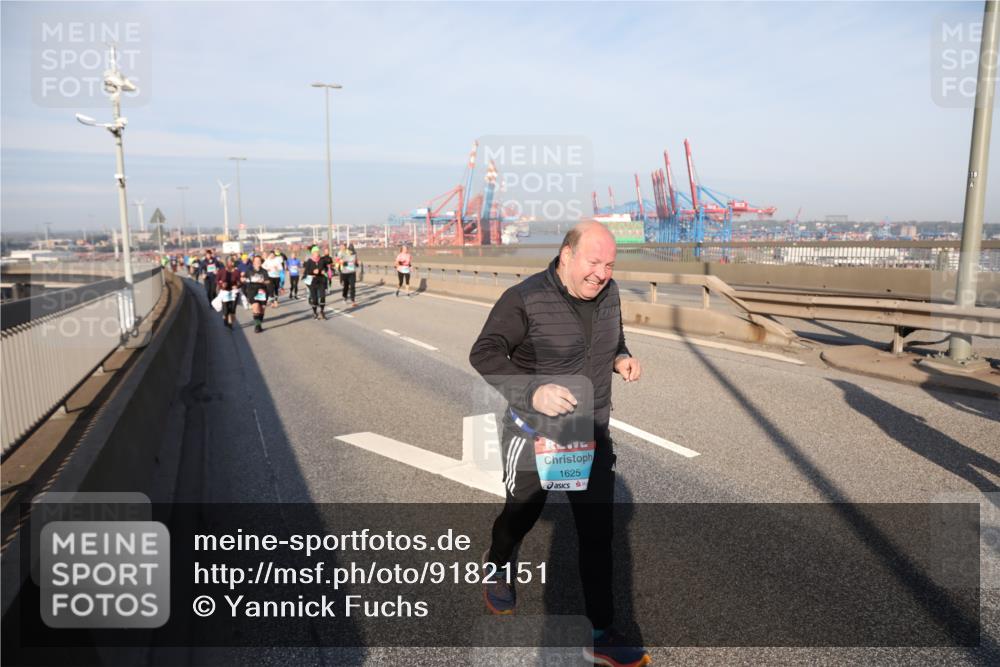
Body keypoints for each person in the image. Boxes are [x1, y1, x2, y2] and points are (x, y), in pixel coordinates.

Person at [468, 221, 648, 667]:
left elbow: (613, 338)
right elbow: (485, 352)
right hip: (534, 434)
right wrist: (533, 391)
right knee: (520, 514)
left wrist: (621, 357)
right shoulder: (524, 298)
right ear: (567, 255)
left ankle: (601, 631)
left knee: (597, 535)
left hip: (589, 434)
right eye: (593, 262)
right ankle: (499, 561)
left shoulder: (610, 293)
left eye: (609, 264)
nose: (601, 273)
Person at [303, 246, 332, 319]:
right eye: (315, 252)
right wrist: (312, 272)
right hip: (312, 282)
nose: (317, 253)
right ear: (312, 253)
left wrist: (324, 271)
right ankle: (315, 312)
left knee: (322, 296)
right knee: (315, 299)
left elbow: (326, 268)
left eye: (318, 252)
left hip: (321, 280)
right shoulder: (309, 261)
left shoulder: (322, 260)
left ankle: (322, 311)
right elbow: (306, 272)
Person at [244, 255, 271, 333]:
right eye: (256, 261)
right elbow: (244, 279)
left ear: (261, 262)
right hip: (252, 291)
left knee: (262, 310)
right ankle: (257, 326)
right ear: (253, 262)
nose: (257, 262)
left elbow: (268, 281)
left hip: (262, 292)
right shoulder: (249, 271)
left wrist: (262, 281)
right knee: (256, 308)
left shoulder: (264, 271)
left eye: (259, 261)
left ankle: (259, 323)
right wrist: (243, 279)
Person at [216, 256, 242, 329]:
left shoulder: (237, 271)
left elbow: (240, 282)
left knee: (233, 309)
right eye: (231, 261)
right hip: (225, 292)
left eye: (233, 261)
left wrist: (237, 285)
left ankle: (230, 323)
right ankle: (226, 319)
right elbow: (217, 280)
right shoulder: (222, 271)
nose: (232, 263)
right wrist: (222, 284)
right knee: (226, 309)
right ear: (227, 262)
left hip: (234, 292)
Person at [337, 242, 358, 307]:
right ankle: (344, 297)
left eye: (352, 251)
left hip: (352, 272)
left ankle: (353, 300)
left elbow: (356, 262)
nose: (351, 252)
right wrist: (342, 262)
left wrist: (356, 263)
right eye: (350, 251)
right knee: (346, 286)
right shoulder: (343, 253)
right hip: (345, 273)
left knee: (352, 286)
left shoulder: (354, 254)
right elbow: (338, 260)